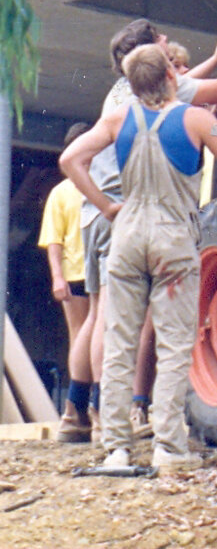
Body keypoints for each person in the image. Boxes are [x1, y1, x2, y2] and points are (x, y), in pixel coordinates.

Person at [60, 43, 217, 471]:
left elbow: (71, 159)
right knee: (175, 342)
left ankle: (116, 449)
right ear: (170, 76)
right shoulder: (196, 118)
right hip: (173, 237)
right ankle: (168, 445)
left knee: (120, 344)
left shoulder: (117, 118)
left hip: (126, 235)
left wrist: (106, 206)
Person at [39, 124, 93, 438]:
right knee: (79, 338)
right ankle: (75, 408)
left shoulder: (102, 183)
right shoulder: (61, 193)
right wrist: (58, 277)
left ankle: (85, 407)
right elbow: (53, 241)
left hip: (101, 271)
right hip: (75, 274)